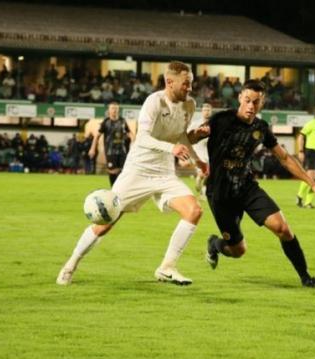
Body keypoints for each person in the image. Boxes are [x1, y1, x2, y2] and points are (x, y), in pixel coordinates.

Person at [57, 61, 209, 286]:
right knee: (106, 222)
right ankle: (70, 264)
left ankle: (167, 268)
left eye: (191, 83)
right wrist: (172, 149)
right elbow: (143, 138)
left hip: (165, 173)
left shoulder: (190, 105)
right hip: (138, 171)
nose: (189, 88)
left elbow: (181, 137)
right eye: (186, 84)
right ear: (169, 81)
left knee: (194, 210)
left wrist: (199, 161)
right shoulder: (153, 102)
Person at [203, 80, 315, 289]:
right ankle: (215, 244)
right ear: (240, 99)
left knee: (283, 229)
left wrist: (312, 183)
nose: (251, 106)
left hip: (246, 187)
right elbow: (190, 136)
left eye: (256, 102)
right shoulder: (221, 120)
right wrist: (194, 136)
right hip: (220, 193)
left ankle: (306, 278)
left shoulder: (261, 128)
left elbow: (285, 158)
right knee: (238, 250)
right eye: (247, 100)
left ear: (262, 103)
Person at [89, 102, 135, 186]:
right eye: (112, 108)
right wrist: (92, 149)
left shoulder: (122, 121)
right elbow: (97, 136)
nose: (114, 110)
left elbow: (130, 133)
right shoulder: (105, 122)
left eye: (116, 108)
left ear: (118, 110)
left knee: (123, 171)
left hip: (122, 151)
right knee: (112, 171)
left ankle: (121, 190)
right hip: (110, 151)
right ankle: (113, 189)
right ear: (109, 110)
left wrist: (133, 142)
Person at [188, 103, 212, 198]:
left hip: (208, 150)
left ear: (211, 112)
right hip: (198, 150)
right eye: (205, 110)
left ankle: (202, 188)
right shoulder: (195, 124)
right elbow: (188, 136)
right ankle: (202, 188)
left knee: (209, 173)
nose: (206, 112)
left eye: (208, 110)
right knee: (205, 172)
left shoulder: (213, 124)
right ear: (202, 112)